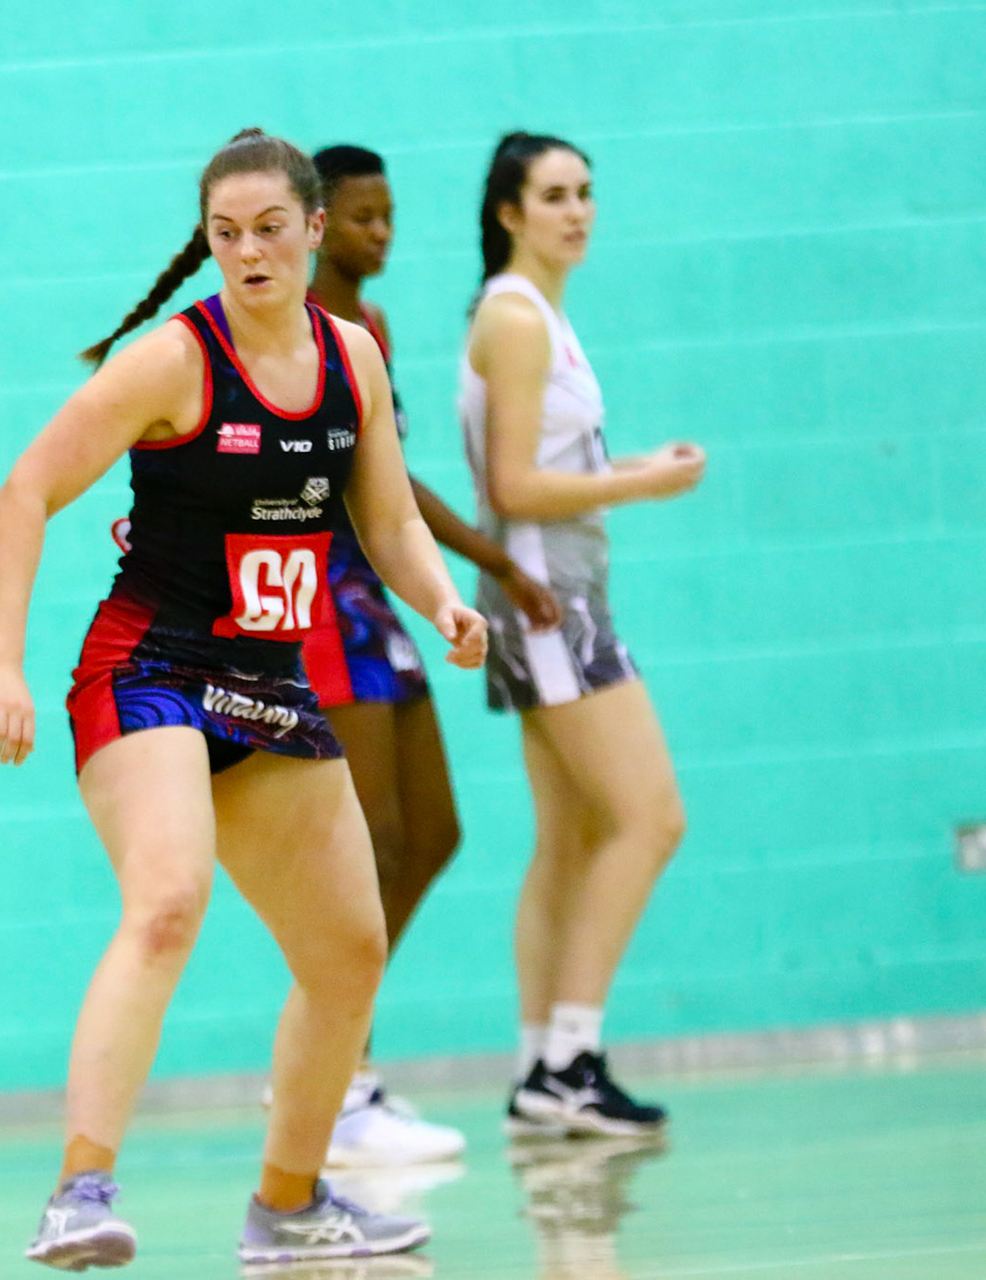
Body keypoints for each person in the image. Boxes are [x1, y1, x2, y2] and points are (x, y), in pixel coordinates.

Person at [0, 129, 487, 1270]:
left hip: (267, 683)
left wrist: (444, 603)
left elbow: (389, 517)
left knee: (350, 951)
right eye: (225, 234)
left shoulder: (350, 355)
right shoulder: (173, 359)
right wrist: (0, 660)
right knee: (167, 899)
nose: (248, 251)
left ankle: (290, 1202)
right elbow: (24, 491)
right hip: (148, 668)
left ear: (312, 228)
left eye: (268, 228)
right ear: (206, 242)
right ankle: (78, 1188)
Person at [299, 144, 564, 1168]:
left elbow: (390, 477)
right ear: (321, 221)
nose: (384, 233)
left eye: (391, 214)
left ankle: (335, 1054)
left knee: (434, 832)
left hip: (377, 592)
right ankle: (331, 1078)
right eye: (364, 216)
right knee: (365, 845)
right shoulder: (301, 325)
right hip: (317, 598)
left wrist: (484, 559)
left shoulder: (371, 328)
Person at [458, 133, 704, 1138]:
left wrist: (622, 464)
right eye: (554, 195)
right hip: (548, 605)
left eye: (587, 192)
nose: (578, 210)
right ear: (510, 212)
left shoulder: (540, 315)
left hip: (559, 595)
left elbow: (546, 466)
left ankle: (537, 1069)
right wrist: (639, 482)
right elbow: (510, 488)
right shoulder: (514, 318)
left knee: (567, 839)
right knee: (651, 818)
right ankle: (573, 1057)